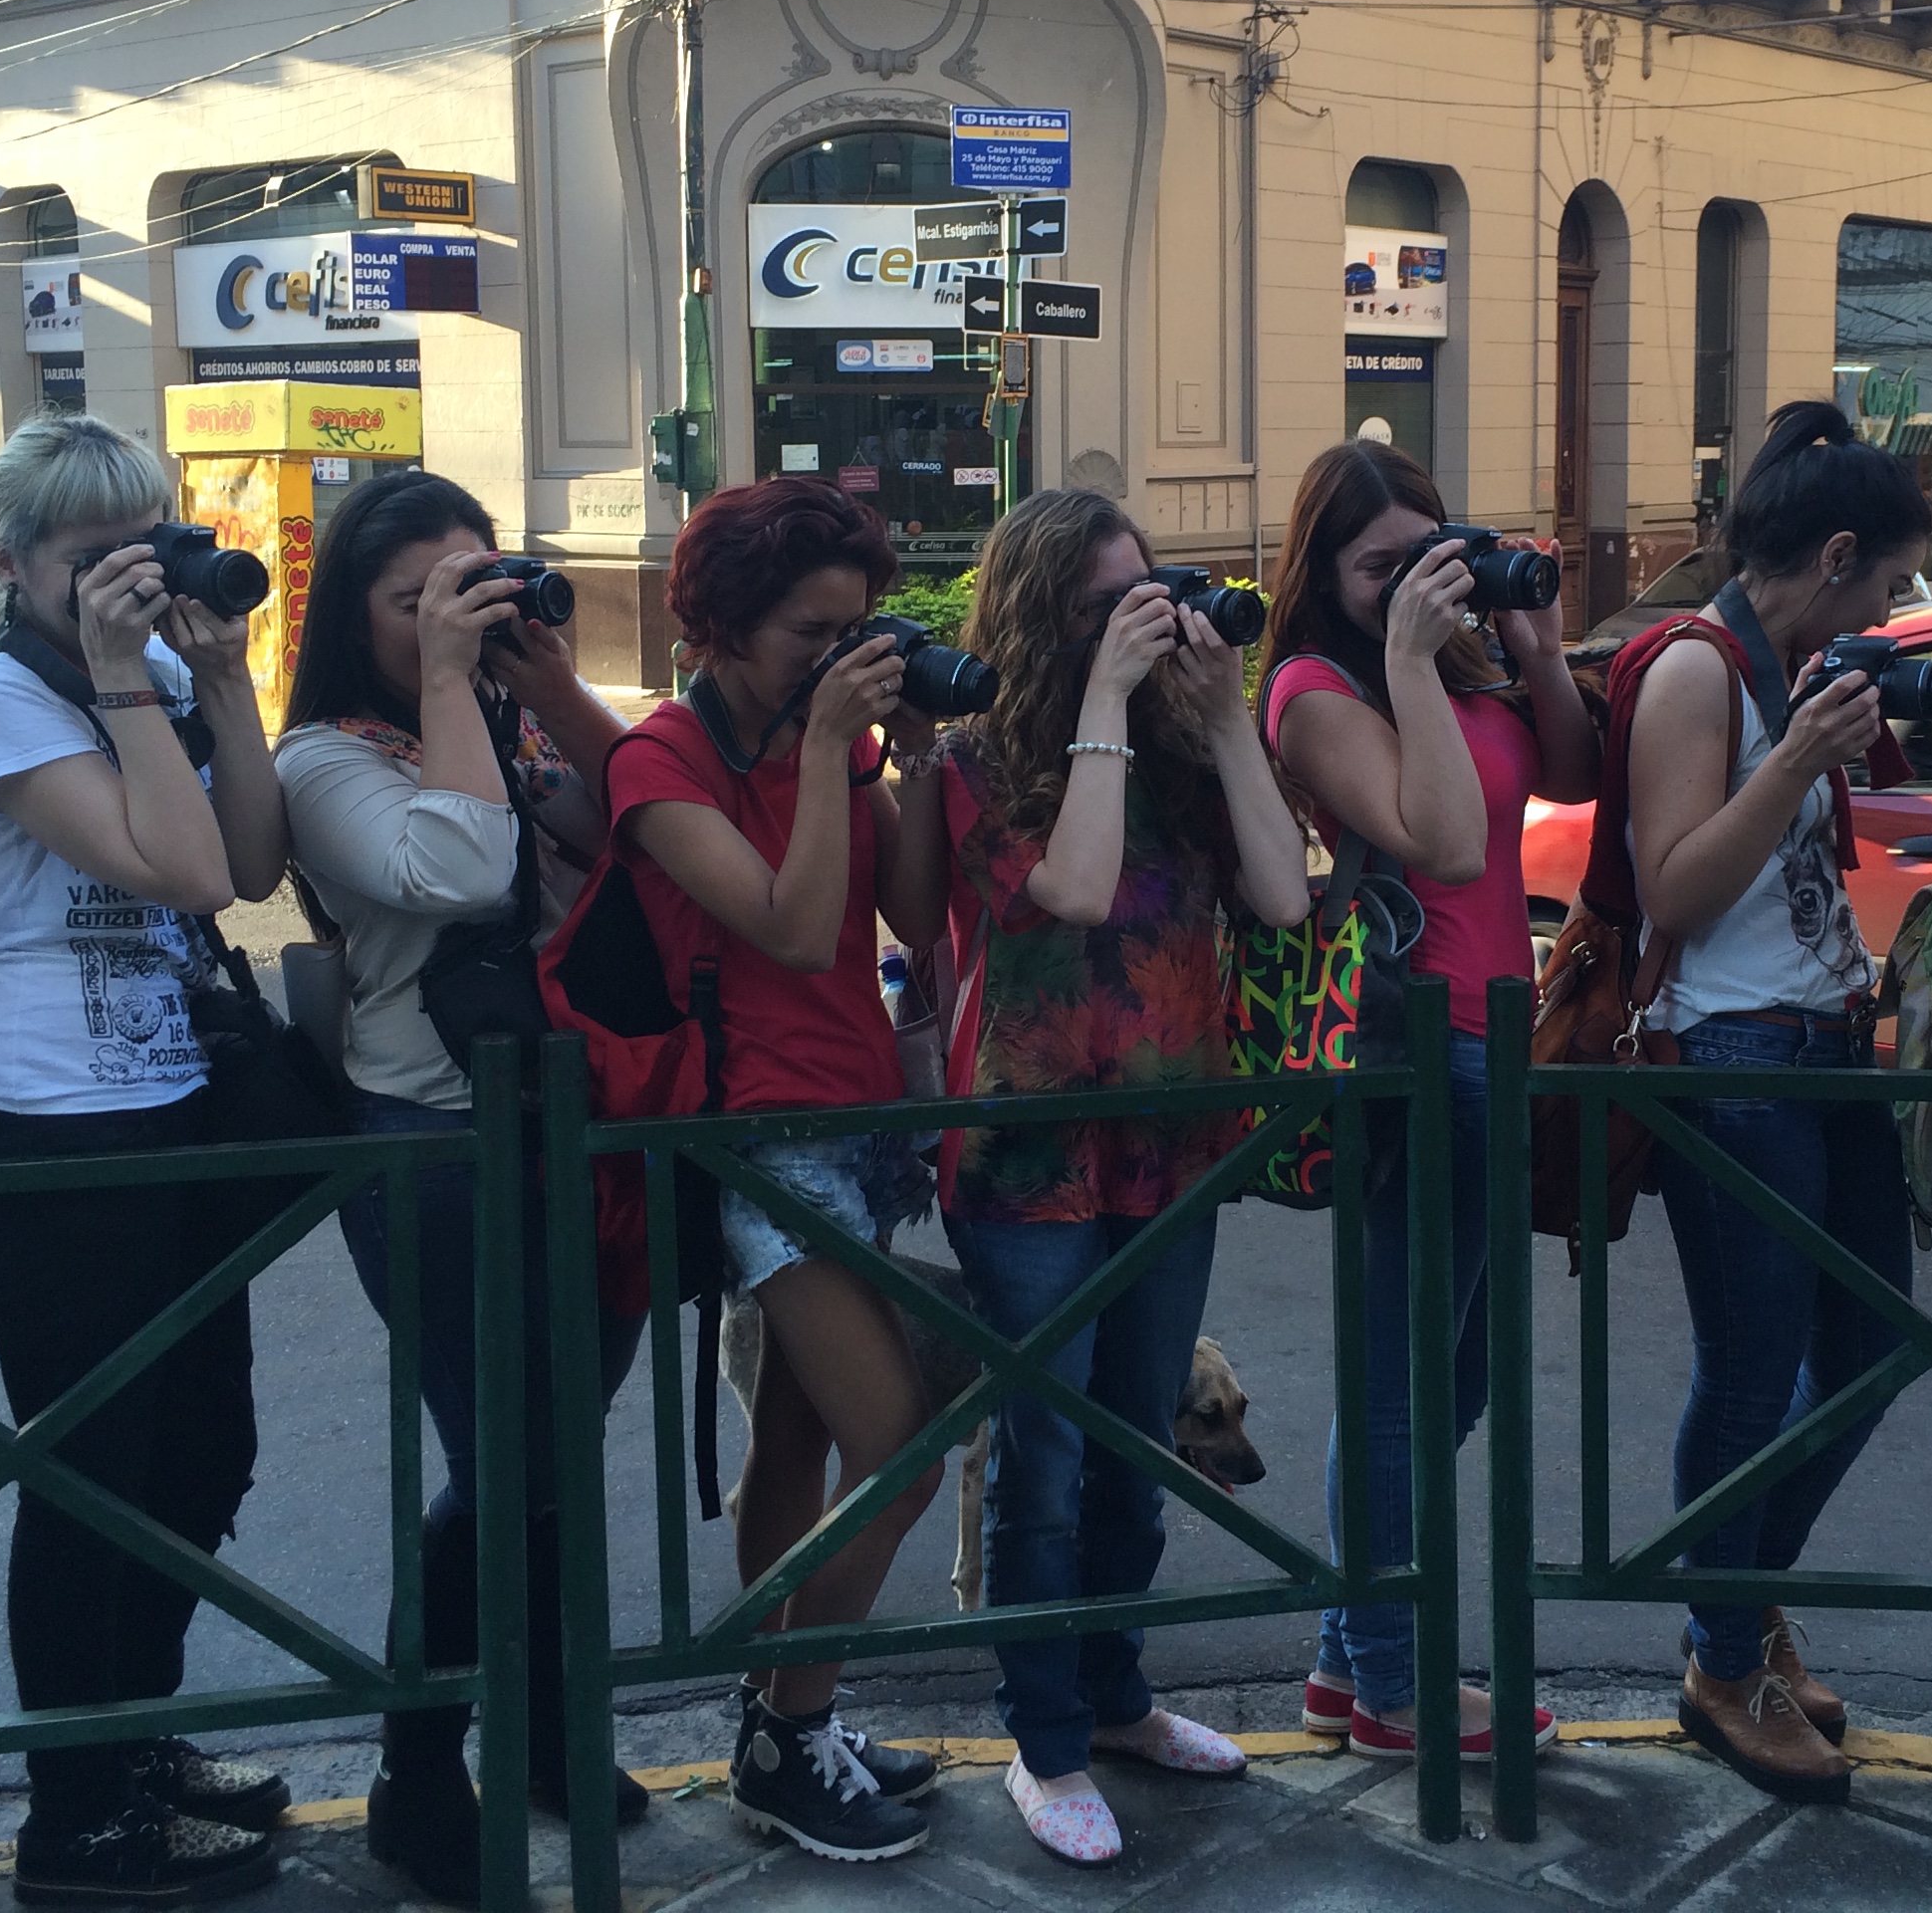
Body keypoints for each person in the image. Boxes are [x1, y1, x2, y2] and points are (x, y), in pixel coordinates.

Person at [0, 412, 296, 1906]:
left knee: (203, 1448)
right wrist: (119, 679)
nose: (128, 580)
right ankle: (74, 1819)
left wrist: (219, 685)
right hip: (54, 1135)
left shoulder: (141, 680)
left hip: (178, 1112)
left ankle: (140, 1738)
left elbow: (256, 867)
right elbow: (188, 867)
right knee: (88, 1476)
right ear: (14, 565)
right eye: (93, 558)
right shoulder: (1, 701)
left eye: (143, 543)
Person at [271, 474, 638, 1900]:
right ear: (354, 622)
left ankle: (542, 1735)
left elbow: (636, 840)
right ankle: (418, 1774)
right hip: (430, 1148)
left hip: (579, 1119)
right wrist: (449, 685)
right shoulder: (325, 759)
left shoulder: (515, 714)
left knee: (552, 1470)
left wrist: (540, 684)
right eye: (411, 596)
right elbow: (461, 863)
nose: (450, 612)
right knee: (507, 1475)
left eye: (472, 580)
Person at [933, 490, 1312, 1864]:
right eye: (1105, 603)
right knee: (1041, 1468)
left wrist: (1223, 722)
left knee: (1136, 1453)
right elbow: (1078, 889)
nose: (1141, 620)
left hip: (1166, 1149)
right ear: (1045, 616)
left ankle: (1115, 1702)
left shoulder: (1176, 757)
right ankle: (1040, 1744)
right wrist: (1104, 692)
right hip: (1025, 1156)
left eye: (1145, 593)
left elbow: (1283, 893)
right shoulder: (972, 760)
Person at [608, 477, 950, 1862]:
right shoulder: (661, 763)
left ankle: (781, 1711)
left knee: (802, 1445)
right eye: (814, 631)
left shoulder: (839, 749)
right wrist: (827, 749)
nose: (841, 653)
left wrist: (911, 756)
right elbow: (801, 935)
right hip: (765, 1140)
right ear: (721, 628)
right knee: (904, 1450)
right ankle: (790, 1737)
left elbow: (912, 921)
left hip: (864, 1124)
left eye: (857, 627)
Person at [1261, 439, 1597, 1764]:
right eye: (1378, 565)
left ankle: (1352, 1663)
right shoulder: (1311, 688)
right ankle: (1399, 1681)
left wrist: (1534, 638)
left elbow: (1564, 778)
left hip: (1496, 1045)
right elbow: (1449, 843)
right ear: (1326, 574)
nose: (1410, 583)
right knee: (1406, 1384)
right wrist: (1407, 655)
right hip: (1415, 1054)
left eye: (1426, 554)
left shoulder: (1460, 660)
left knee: (1454, 1377)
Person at [1616, 399, 1927, 1805]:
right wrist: (1796, 757)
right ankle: (1723, 1655)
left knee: (1873, 1343)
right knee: (1752, 1374)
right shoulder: (1699, 670)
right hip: (1735, 1061)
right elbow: (1676, 892)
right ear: (1838, 555)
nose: (1900, 608)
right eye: (1893, 582)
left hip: (1826, 1046)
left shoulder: (1787, 664)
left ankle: (1735, 1610)